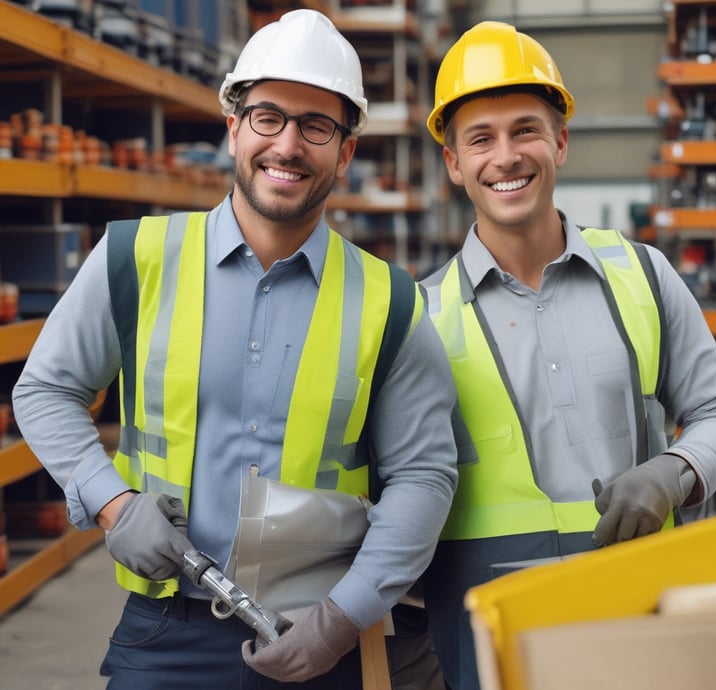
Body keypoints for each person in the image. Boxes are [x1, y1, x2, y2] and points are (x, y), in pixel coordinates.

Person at [12, 10, 458, 690]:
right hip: (167, 632)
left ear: (345, 151)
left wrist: (345, 617)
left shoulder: (389, 302)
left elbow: (424, 475)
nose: (287, 145)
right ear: (233, 127)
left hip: (320, 633)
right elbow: (45, 390)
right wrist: (113, 504)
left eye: (317, 125)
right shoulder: (137, 258)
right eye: (268, 117)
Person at [419, 20, 716, 690]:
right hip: (491, 628)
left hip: (636, 608)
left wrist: (674, 472)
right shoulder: (422, 318)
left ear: (560, 143)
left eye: (526, 131)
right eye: (481, 139)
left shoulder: (644, 275)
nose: (505, 156)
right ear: (454, 162)